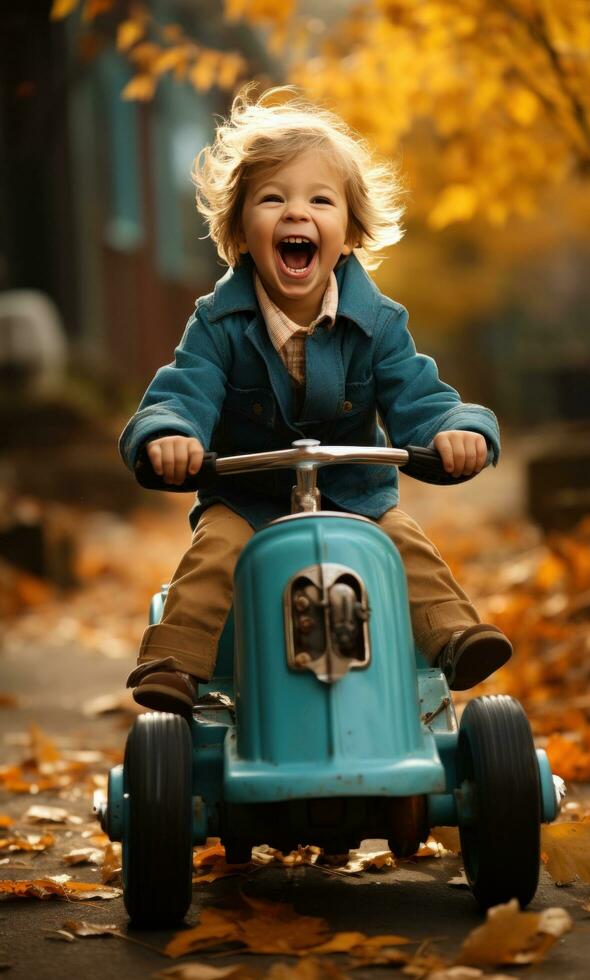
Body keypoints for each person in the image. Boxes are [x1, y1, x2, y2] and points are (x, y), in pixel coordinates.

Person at [120, 84, 512, 718]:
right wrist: (169, 435)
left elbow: (420, 395)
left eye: (320, 200)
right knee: (213, 551)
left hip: (356, 495)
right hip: (248, 500)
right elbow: (182, 391)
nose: (296, 213)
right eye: (272, 198)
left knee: (400, 543)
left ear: (349, 232)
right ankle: (176, 664)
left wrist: (455, 430)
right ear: (240, 230)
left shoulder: (378, 323)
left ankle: (452, 636)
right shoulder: (218, 325)